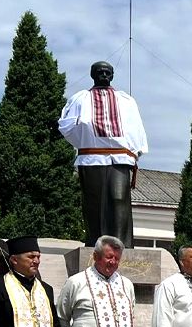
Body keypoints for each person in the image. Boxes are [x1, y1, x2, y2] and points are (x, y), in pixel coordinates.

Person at [58, 61, 148, 248]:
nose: (104, 75)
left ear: (112, 75)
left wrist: (134, 151)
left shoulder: (126, 100)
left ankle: (122, 245)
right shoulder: (80, 99)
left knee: (118, 199)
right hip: (91, 157)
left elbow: (136, 126)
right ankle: (95, 244)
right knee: (94, 201)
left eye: (107, 72)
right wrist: (84, 136)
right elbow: (66, 125)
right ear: (93, 75)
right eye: (100, 72)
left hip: (120, 158)